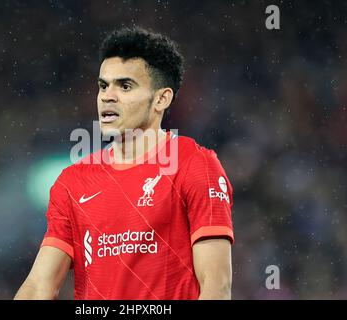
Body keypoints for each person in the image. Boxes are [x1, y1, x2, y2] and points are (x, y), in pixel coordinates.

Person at [14, 26, 234, 300]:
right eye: (103, 85)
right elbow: (39, 286)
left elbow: (216, 285)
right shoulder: (72, 182)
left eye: (125, 86)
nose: (108, 96)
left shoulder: (194, 164)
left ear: (161, 99)